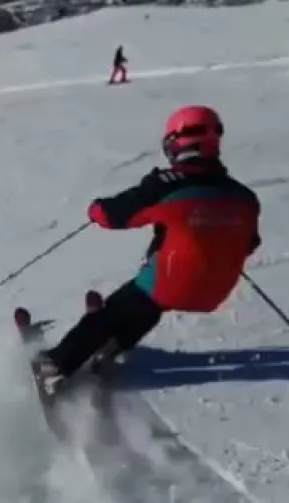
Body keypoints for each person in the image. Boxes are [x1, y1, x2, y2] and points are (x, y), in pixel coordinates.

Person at [34, 105, 262, 391]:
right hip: (215, 290)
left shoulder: (167, 187)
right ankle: (115, 347)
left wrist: (95, 210)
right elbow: (250, 243)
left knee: (114, 312)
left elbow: (113, 215)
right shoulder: (244, 197)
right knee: (149, 305)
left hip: (170, 280)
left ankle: (55, 366)